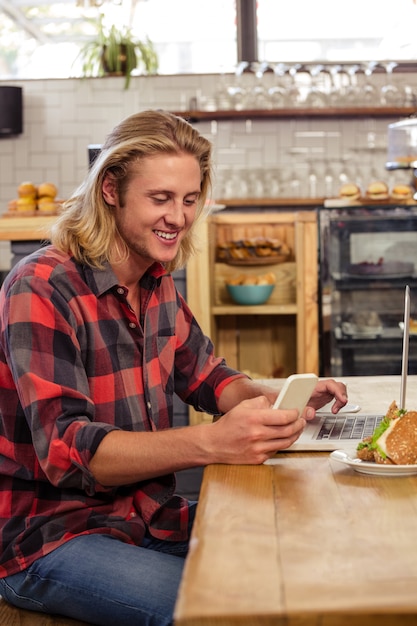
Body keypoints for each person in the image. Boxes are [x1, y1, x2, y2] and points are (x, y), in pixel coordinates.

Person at [0, 110, 347, 626]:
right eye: (160, 199)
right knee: (224, 613)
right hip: (52, 537)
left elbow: (207, 377)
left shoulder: (154, 280)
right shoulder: (42, 286)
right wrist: (211, 443)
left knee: (301, 571)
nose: (179, 218)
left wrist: (281, 395)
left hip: (148, 517)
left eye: (189, 200)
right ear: (111, 190)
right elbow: (67, 452)